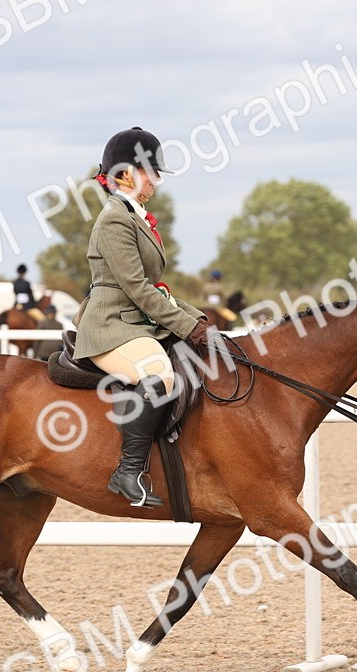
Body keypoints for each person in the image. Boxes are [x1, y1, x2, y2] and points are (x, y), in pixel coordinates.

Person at [71, 127, 211, 508]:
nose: (156, 180)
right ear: (126, 174)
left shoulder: (137, 217)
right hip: (110, 325)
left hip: (134, 321)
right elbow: (137, 289)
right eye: (151, 172)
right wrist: (187, 326)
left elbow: (156, 287)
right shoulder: (114, 220)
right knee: (159, 374)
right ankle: (128, 471)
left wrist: (197, 319)